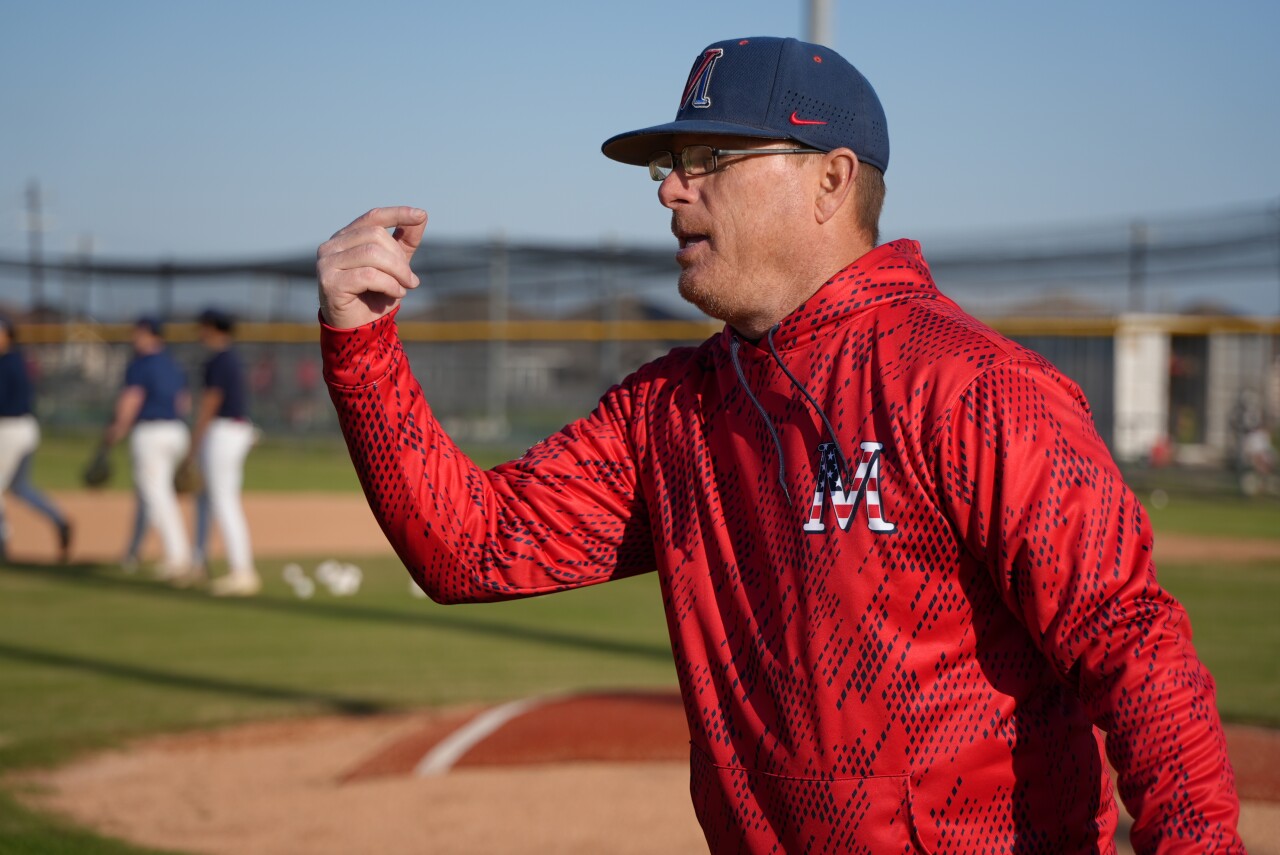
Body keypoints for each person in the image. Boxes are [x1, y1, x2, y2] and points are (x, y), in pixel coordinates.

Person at [316, 37, 1242, 853]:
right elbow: (472, 547)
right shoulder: (670, 410)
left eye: (711, 158)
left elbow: (1136, 650)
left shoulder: (975, 388)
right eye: (671, 163)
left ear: (831, 180)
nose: (672, 187)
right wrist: (362, 346)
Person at [106, 315, 193, 581]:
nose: (135, 337)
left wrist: (118, 427)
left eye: (139, 333)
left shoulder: (140, 364)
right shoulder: (173, 363)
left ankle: (178, 557)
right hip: (177, 431)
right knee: (148, 494)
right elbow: (184, 402)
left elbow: (132, 398)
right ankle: (132, 553)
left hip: (151, 433)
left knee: (157, 495)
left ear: (149, 335)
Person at [189, 308, 260, 596]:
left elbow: (211, 402)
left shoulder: (219, 360)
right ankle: (197, 562)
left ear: (212, 328)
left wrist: (194, 442)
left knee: (223, 500)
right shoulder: (230, 357)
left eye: (203, 326)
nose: (199, 331)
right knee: (205, 498)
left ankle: (242, 572)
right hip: (233, 431)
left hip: (223, 433)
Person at [0, 316, 72, 563]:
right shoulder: (18, 360)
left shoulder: (7, 362)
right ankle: (59, 520)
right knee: (20, 487)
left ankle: (2, 543)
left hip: (10, 429)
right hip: (25, 428)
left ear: (8, 336)